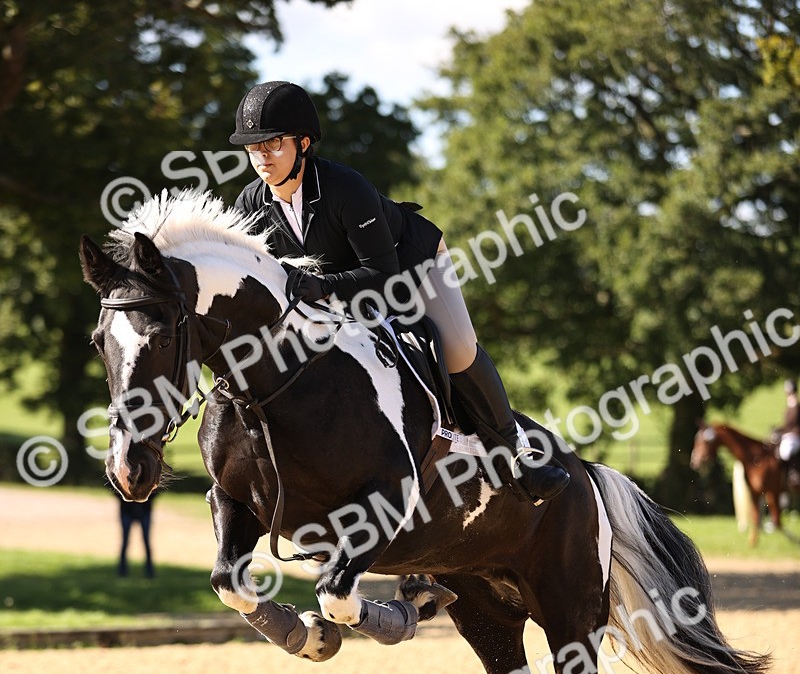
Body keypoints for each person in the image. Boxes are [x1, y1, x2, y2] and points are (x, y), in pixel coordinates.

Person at [228, 80, 570, 505]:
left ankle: (518, 453)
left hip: (410, 266)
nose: (261, 156)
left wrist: (324, 287)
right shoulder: (249, 205)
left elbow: (381, 274)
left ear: (303, 142)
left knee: (458, 349)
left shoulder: (344, 188)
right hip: (333, 295)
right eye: (252, 147)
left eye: (273, 143)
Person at [777, 379, 800, 465]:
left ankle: (793, 473)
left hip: (795, 436)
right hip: (786, 436)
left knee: (785, 452)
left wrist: (780, 430)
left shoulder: (796, 407)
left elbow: (791, 424)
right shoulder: (789, 407)